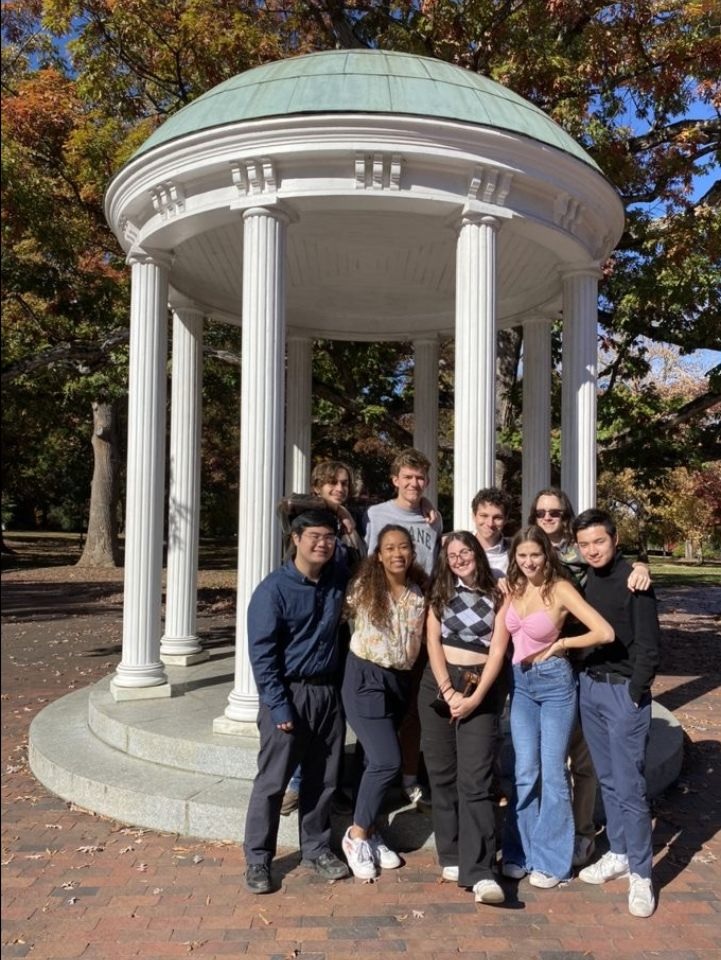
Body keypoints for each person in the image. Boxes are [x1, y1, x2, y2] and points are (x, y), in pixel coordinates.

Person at [527, 487, 651, 868]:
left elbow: (613, 568)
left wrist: (642, 565)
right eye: (542, 512)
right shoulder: (529, 553)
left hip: (598, 676)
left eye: (556, 513)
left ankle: (597, 843)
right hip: (556, 675)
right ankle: (558, 840)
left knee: (592, 767)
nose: (549, 518)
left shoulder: (588, 559)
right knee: (547, 763)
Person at [243, 509, 351, 894]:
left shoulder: (337, 578)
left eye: (329, 537)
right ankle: (258, 859)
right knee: (272, 783)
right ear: (295, 539)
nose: (323, 543)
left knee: (323, 780)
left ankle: (317, 848)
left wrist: (348, 527)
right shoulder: (273, 590)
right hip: (289, 694)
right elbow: (262, 654)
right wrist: (278, 705)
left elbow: (360, 556)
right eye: (315, 537)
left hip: (327, 694)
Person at [504, 525, 614, 888]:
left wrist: (562, 643)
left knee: (553, 772)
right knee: (524, 771)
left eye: (535, 554)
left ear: (546, 554)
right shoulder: (513, 586)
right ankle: (521, 853)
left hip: (554, 685)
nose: (529, 561)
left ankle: (552, 862)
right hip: (520, 683)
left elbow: (604, 632)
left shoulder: (561, 589)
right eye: (522, 556)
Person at [572, 509, 661, 918]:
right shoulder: (585, 578)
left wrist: (635, 692)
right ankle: (621, 853)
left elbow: (649, 646)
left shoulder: (634, 580)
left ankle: (642, 873)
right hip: (590, 688)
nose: (591, 549)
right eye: (585, 543)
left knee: (630, 788)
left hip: (623, 694)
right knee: (608, 780)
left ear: (614, 539)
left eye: (599, 541)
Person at [419, 531, 511, 904]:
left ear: (477, 552)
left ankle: (482, 871)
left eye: (465, 551)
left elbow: (499, 651)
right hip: (439, 685)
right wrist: (449, 691)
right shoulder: (440, 592)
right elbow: (432, 643)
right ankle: (453, 854)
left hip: (481, 687)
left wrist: (473, 699)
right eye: (452, 554)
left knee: (476, 779)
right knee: (442, 774)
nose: (459, 558)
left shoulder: (501, 592)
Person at [340, 524, 428, 879]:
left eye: (403, 547)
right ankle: (356, 835)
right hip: (365, 677)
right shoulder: (365, 588)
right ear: (379, 555)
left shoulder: (419, 594)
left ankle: (373, 832)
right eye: (389, 548)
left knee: (371, 762)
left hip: (398, 681)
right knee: (386, 760)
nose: (397, 554)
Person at [279, 460, 365, 817]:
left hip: (343, 625)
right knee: (304, 716)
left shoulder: (351, 520)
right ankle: (297, 783)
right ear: (318, 486)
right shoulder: (305, 514)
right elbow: (286, 502)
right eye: (332, 483)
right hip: (309, 622)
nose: (339, 488)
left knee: (338, 710)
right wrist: (335, 509)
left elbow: (360, 561)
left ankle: (335, 781)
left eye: (344, 483)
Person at [365, 448, 443, 810]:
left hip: (422, 618)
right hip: (386, 622)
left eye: (420, 478)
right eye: (407, 477)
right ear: (395, 479)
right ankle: (373, 774)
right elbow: (369, 566)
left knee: (413, 705)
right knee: (382, 705)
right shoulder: (377, 514)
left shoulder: (433, 519)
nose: (414, 483)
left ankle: (410, 776)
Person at [471, 487, 514, 580]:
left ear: (506, 519)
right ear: (474, 516)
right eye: (484, 516)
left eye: (497, 517)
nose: (490, 523)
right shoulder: (458, 548)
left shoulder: (516, 552)